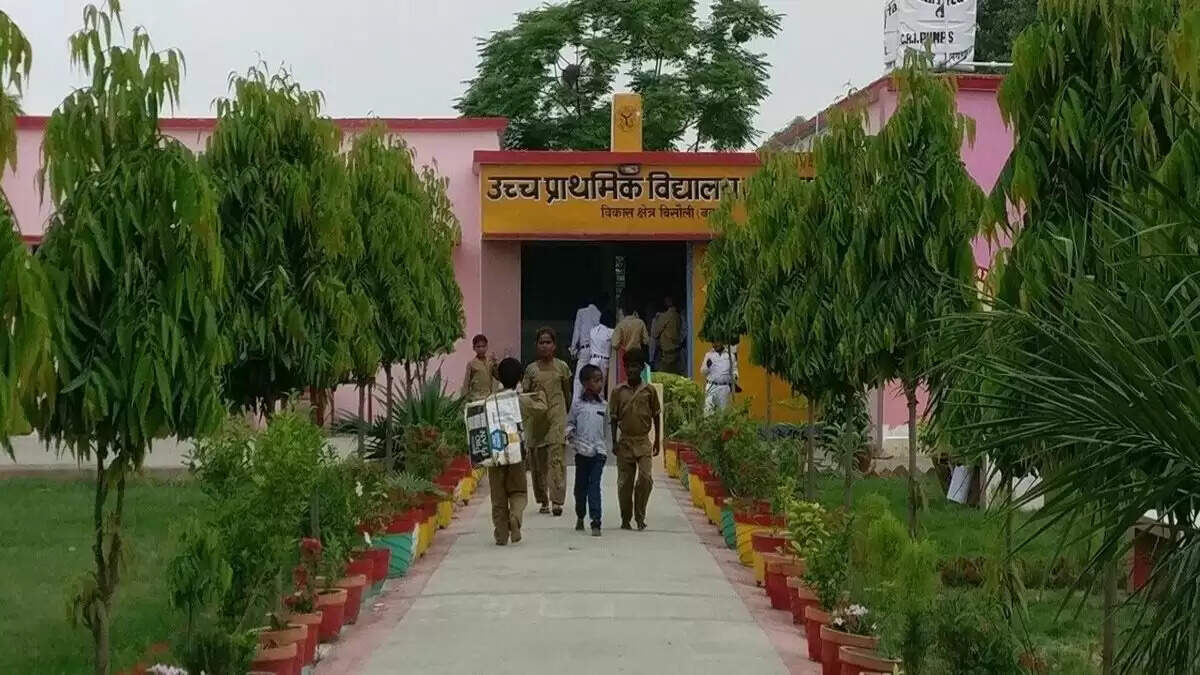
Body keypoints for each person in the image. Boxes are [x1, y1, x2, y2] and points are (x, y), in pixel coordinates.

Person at [488, 358, 547, 546]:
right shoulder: (521, 400)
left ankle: (501, 534)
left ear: (499, 377)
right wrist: (541, 395)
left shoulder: (489, 401)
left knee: (498, 496)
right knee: (518, 492)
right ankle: (515, 517)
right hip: (517, 454)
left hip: (495, 454)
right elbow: (541, 409)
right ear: (520, 378)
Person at [522, 327, 573, 516]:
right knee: (538, 461)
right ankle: (543, 499)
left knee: (557, 459)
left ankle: (557, 501)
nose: (545, 346)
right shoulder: (531, 370)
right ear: (536, 345)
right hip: (537, 420)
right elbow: (526, 395)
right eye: (541, 342)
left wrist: (566, 415)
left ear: (554, 345)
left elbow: (567, 392)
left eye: (548, 342)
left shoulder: (562, 367)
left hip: (556, 417)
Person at [609, 348, 661, 531]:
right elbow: (613, 418)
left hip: (643, 441)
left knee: (645, 478)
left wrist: (658, 440)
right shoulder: (618, 391)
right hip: (625, 442)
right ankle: (625, 518)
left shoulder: (649, 391)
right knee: (624, 483)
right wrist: (614, 442)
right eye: (628, 366)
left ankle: (640, 515)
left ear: (641, 368)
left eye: (635, 366)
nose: (631, 370)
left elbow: (656, 415)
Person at [567, 364, 610, 536]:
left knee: (594, 486)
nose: (600, 384)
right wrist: (571, 436)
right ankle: (580, 514)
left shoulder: (604, 406)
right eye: (596, 380)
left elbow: (606, 429)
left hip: (599, 452)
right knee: (580, 487)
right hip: (582, 453)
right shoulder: (577, 405)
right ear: (585, 383)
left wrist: (606, 446)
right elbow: (570, 424)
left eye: (601, 380)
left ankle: (596, 521)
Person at [610, 296, 649, 388]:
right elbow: (646, 341)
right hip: (638, 357)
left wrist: (623, 346)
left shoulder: (620, 325)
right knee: (639, 383)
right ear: (634, 311)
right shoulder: (640, 323)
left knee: (625, 382)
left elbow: (614, 344)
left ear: (623, 312)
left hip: (625, 357)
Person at [569, 297, 603, 401]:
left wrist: (573, 349)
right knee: (595, 378)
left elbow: (577, 331)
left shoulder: (581, 312)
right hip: (597, 350)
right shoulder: (600, 314)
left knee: (579, 379)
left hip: (585, 349)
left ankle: (576, 403)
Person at [701, 340, 739, 414]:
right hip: (711, 386)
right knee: (708, 411)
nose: (715, 345)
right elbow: (703, 372)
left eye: (717, 342)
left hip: (724, 388)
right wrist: (707, 366)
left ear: (721, 342)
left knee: (723, 413)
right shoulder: (708, 355)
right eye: (713, 343)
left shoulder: (730, 355)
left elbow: (734, 370)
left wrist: (735, 376)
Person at [460, 334, 498, 401]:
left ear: (487, 347)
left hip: (488, 397)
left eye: (483, 346)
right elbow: (466, 383)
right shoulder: (471, 364)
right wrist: (464, 399)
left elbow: (498, 376)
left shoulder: (490, 362)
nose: (481, 349)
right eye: (478, 346)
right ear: (474, 348)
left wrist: (496, 364)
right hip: (476, 398)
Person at [652, 296, 683, 375]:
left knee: (661, 376)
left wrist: (656, 319)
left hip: (666, 354)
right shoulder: (678, 316)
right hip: (677, 352)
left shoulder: (666, 316)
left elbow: (655, 333)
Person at [587, 309, 615, 396]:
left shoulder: (592, 330)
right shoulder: (611, 332)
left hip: (593, 360)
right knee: (601, 388)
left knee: (591, 386)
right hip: (603, 361)